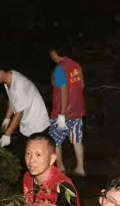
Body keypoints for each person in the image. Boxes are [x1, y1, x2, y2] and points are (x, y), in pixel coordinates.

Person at [0, 64, 50, 165]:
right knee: (24, 155)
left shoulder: (18, 85)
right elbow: (12, 101)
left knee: (36, 160)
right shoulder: (9, 80)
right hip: (27, 124)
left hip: (37, 125)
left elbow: (19, 113)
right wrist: (7, 118)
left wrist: (7, 135)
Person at [48, 45, 87, 176]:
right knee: (76, 140)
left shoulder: (60, 68)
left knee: (56, 141)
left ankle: (60, 167)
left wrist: (61, 114)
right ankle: (80, 168)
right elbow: (82, 85)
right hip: (77, 111)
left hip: (61, 112)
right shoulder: (76, 65)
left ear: (55, 52)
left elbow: (63, 91)